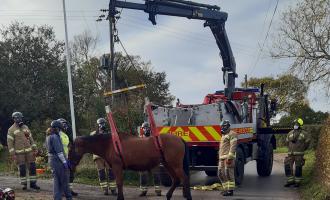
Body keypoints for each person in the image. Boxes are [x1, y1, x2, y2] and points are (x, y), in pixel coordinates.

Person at [7, 112, 40, 190]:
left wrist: (35, 149)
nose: (19, 119)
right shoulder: (11, 129)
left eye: (20, 118)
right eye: (17, 118)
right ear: (14, 119)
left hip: (29, 152)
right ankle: (24, 184)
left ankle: (33, 183)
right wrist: (12, 154)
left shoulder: (25, 127)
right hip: (19, 153)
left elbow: (31, 139)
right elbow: (10, 143)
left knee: (32, 167)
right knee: (22, 168)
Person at [46, 120, 72, 200]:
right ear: (57, 128)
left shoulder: (48, 136)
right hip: (58, 161)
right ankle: (69, 197)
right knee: (64, 179)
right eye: (60, 129)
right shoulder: (55, 137)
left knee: (56, 180)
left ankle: (57, 197)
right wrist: (65, 162)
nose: (60, 130)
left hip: (52, 160)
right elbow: (59, 152)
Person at [90, 118, 117, 195]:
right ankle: (105, 189)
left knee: (111, 173)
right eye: (101, 124)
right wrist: (99, 133)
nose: (102, 125)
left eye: (103, 124)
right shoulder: (94, 133)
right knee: (101, 173)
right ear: (98, 125)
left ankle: (113, 189)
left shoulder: (109, 133)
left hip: (108, 156)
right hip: (98, 157)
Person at [284, 118, 310, 187]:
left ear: (300, 125)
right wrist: (289, 149)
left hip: (299, 154)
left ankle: (297, 182)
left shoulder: (304, 133)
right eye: (294, 123)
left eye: (296, 124)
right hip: (290, 154)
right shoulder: (290, 133)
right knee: (288, 167)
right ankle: (290, 181)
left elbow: (307, 142)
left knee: (298, 168)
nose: (295, 125)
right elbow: (287, 142)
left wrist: (302, 149)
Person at [138, 122, 162, 197]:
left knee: (156, 175)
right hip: (143, 161)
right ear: (142, 129)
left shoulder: (154, 138)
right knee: (143, 176)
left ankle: (158, 191)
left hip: (153, 160)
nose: (146, 129)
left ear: (150, 129)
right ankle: (143, 191)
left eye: (147, 128)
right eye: (145, 128)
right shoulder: (140, 139)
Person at [57, 118, 78, 196]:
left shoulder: (67, 134)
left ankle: (69, 190)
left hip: (67, 157)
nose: (65, 126)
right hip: (60, 159)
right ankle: (62, 191)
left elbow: (70, 145)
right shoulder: (57, 135)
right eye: (63, 124)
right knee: (62, 175)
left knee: (71, 174)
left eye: (65, 124)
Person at [217, 120, 237, 196]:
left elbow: (233, 146)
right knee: (220, 174)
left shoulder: (233, 134)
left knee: (228, 174)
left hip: (228, 158)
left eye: (223, 126)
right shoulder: (223, 135)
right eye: (221, 126)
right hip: (221, 158)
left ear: (227, 126)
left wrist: (230, 157)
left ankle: (230, 191)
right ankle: (225, 189)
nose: (222, 128)